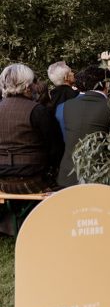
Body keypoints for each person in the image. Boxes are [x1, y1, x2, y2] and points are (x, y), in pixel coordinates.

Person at [0, 64, 65, 235]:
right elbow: (56, 148)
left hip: (1, 181)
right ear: (28, 86)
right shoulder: (37, 111)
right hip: (33, 182)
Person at [57, 66, 110, 188]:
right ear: (106, 84)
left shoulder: (64, 106)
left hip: (68, 177)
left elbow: (64, 138)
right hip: (102, 178)